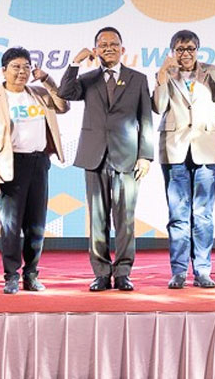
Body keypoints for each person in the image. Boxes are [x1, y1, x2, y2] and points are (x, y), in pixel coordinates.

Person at [58, 27, 154, 292]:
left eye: (113, 44)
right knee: (97, 219)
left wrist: (145, 156)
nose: (108, 48)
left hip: (127, 157)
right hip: (94, 156)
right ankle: (101, 273)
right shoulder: (88, 79)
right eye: (103, 45)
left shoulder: (138, 79)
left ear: (123, 49)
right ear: (95, 50)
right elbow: (65, 92)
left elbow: (146, 118)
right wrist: (75, 62)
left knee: (125, 219)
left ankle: (123, 272)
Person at [0, 47, 69, 294]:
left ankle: (31, 274)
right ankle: (11, 276)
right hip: (9, 166)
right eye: (16, 67)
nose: (22, 72)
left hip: (38, 163)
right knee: (10, 225)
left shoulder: (39, 93)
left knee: (36, 224)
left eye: (26, 67)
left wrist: (47, 79)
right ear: (3, 70)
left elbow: (63, 105)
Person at [152, 30, 215, 289]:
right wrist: (163, 74)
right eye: (180, 49)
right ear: (172, 52)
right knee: (178, 215)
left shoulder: (213, 73)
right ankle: (178, 271)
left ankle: (203, 270)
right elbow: (158, 106)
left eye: (190, 49)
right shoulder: (165, 74)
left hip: (207, 149)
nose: (185, 54)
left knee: (203, 214)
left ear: (198, 50)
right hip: (174, 150)